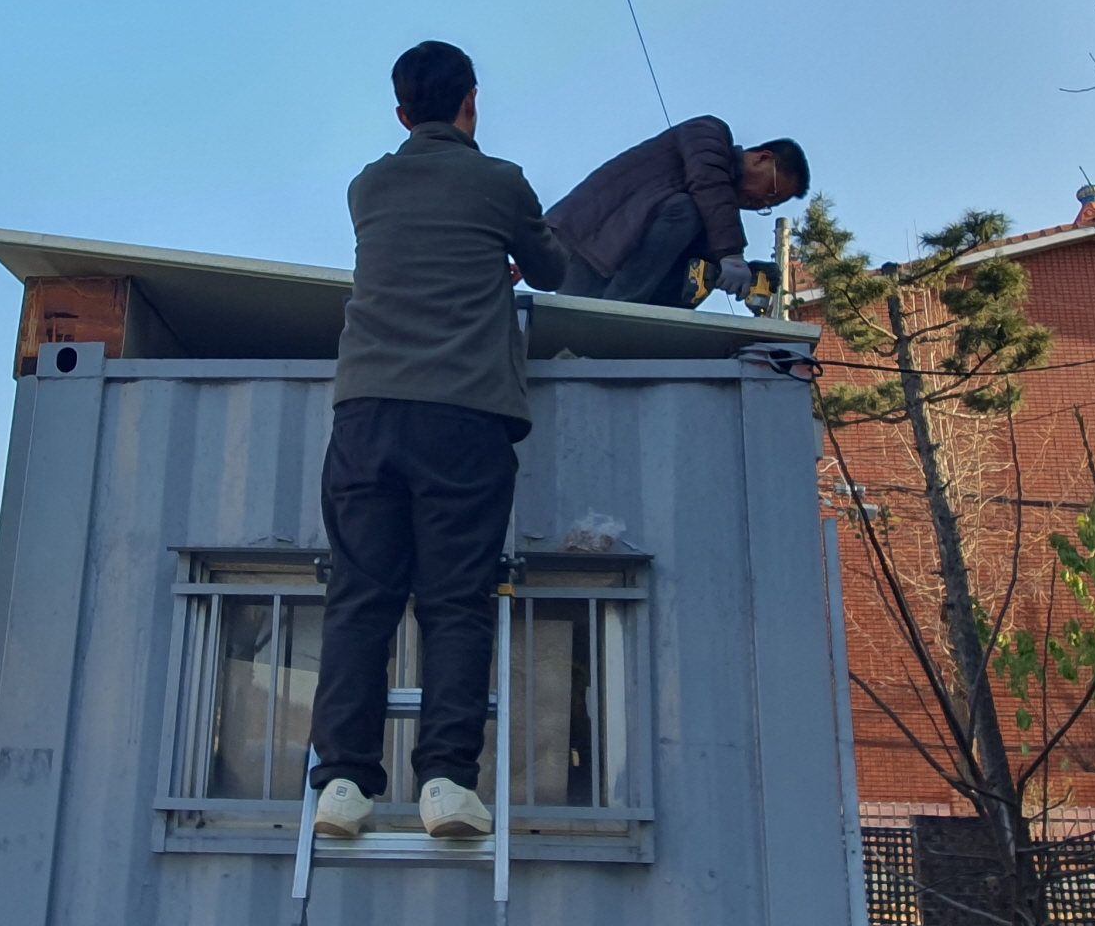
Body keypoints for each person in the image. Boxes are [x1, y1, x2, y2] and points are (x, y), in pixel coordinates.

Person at [309, 41, 567, 841]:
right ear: (473, 103)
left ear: (398, 113)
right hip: (462, 417)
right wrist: (511, 258)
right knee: (455, 603)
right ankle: (447, 784)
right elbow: (551, 267)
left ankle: (344, 785)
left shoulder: (368, 185)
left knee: (360, 600)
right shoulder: (500, 182)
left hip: (366, 416)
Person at [547, 115, 808, 308]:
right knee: (689, 209)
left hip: (607, 271)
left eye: (768, 206)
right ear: (762, 158)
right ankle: (620, 313)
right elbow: (708, 184)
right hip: (584, 251)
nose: (761, 202)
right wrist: (732, 255)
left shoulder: (710, 218)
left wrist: (747, 275)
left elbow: (695, 261)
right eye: (771, 191)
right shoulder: (707, 132)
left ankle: (627, 321)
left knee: (695, 274)